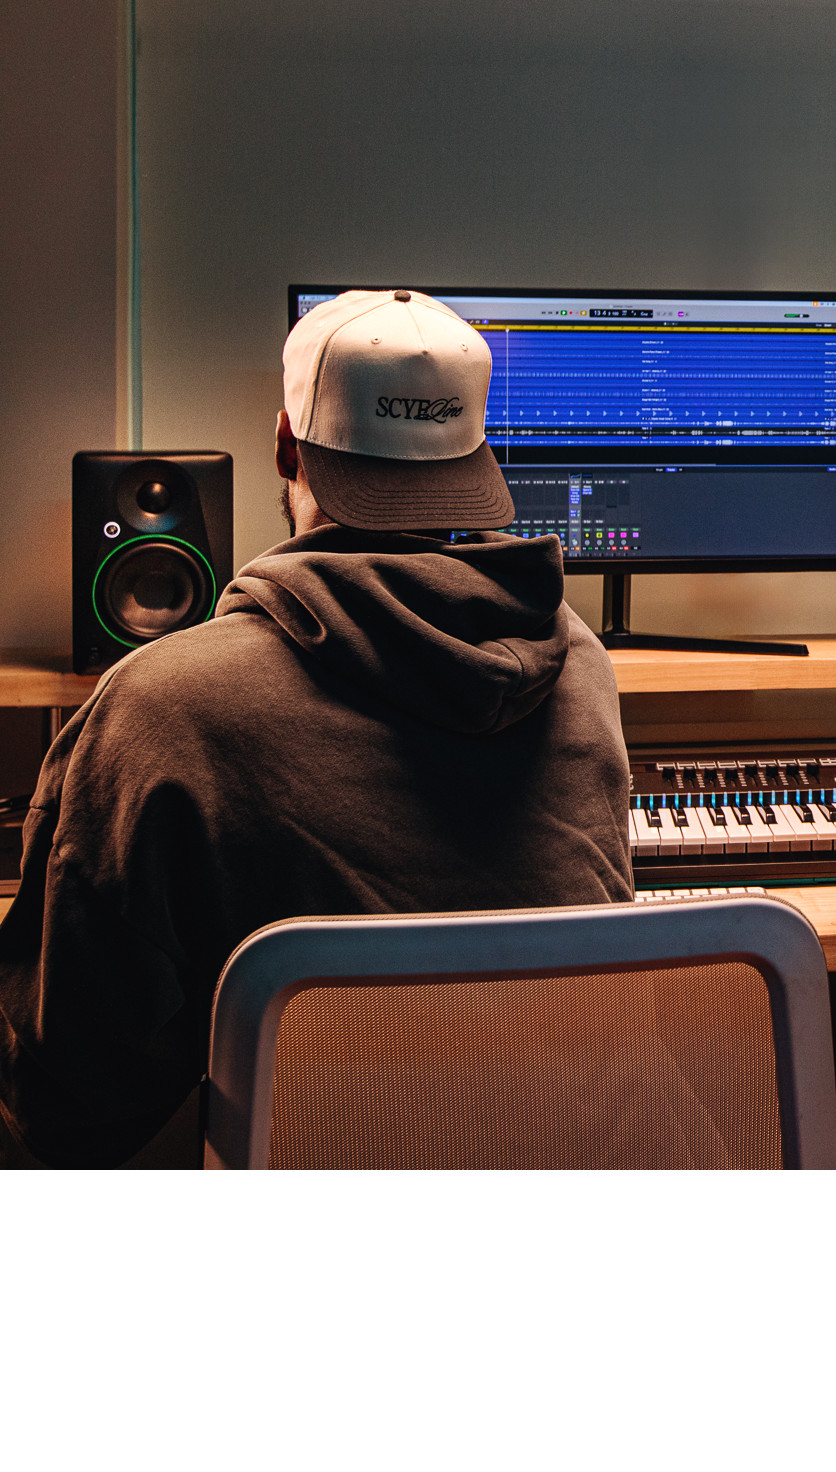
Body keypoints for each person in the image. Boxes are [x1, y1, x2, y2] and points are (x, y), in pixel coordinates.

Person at [0, 289, 633, 1169]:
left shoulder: (163, 702)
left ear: (285, 445)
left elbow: (67, 1096)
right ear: (475, 458)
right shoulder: (580, 664)